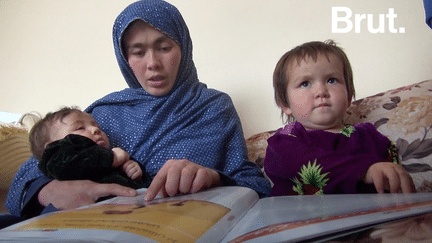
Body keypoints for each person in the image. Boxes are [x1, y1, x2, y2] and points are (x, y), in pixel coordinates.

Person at [5, 0, 271, 219]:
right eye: (137, 52)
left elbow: (255, 184)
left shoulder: (214, 107)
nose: (153, 63)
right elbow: (35, 166)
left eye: (164, 48)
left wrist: (214, 178)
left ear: (184, 47)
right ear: (124, 58)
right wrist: (48, 191)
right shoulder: (103, 112)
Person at [264, 40, 416, 196]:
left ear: (348, 96)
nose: (321, 91)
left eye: (331, 80)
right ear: (284, 103)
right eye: (305, 83)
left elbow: (393, 175)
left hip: (373, 216)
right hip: (304, 218)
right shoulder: (284, 140)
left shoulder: (369, 135)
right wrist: (365, 170)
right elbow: (302, 165)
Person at [30, 107, 150, 189]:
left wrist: (135, 171)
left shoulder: (110, 157)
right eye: (80, 128)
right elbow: (68, 166)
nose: (95, 130)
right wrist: (112, 158)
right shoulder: (57, 158)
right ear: (51, 147)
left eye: (96, 126)